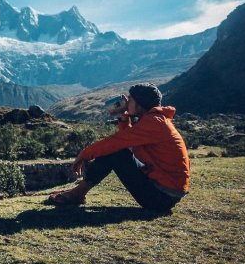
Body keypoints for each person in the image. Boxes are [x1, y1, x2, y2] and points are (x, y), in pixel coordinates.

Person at [48, 83, 190, 212]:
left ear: (140, 103)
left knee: (116, 153)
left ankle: (77, 194)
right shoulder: (154, 120)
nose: (127, 102)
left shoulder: (154, 122)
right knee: (117, 151)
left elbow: (116, 142)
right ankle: (78, 192)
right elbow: (127, 139)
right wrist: (123, 118)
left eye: (131, 99)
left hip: (162, 196)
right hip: (165, 191)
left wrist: (85, 154)